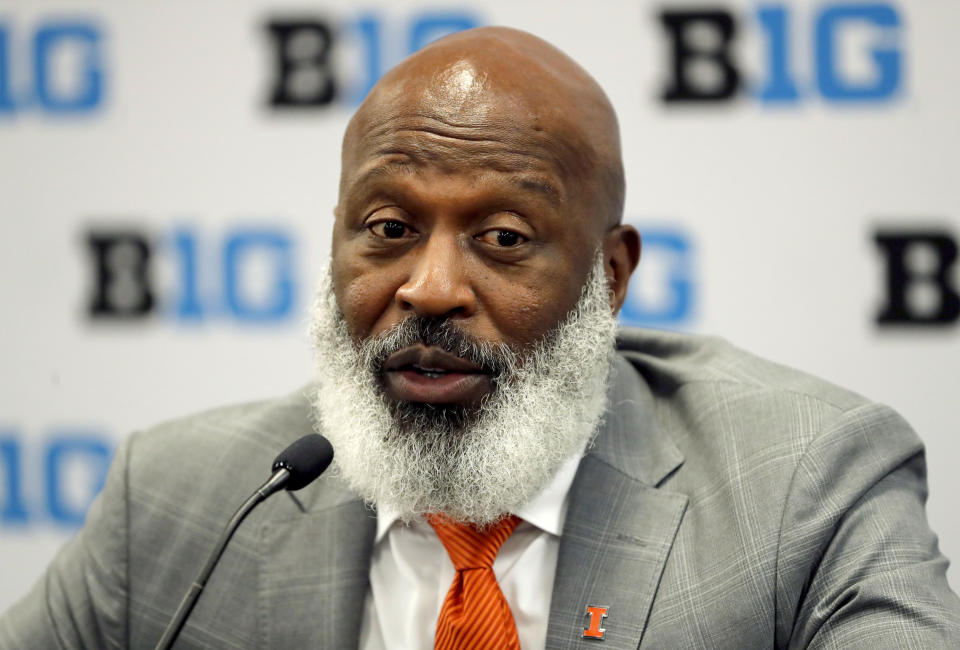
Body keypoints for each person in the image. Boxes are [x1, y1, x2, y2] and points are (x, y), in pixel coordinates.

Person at [2, 26, 959, 650]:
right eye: (388, 230)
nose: (428, 288)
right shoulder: (179, 507)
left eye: (503, 239)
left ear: (609, 277)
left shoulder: (804, 486)